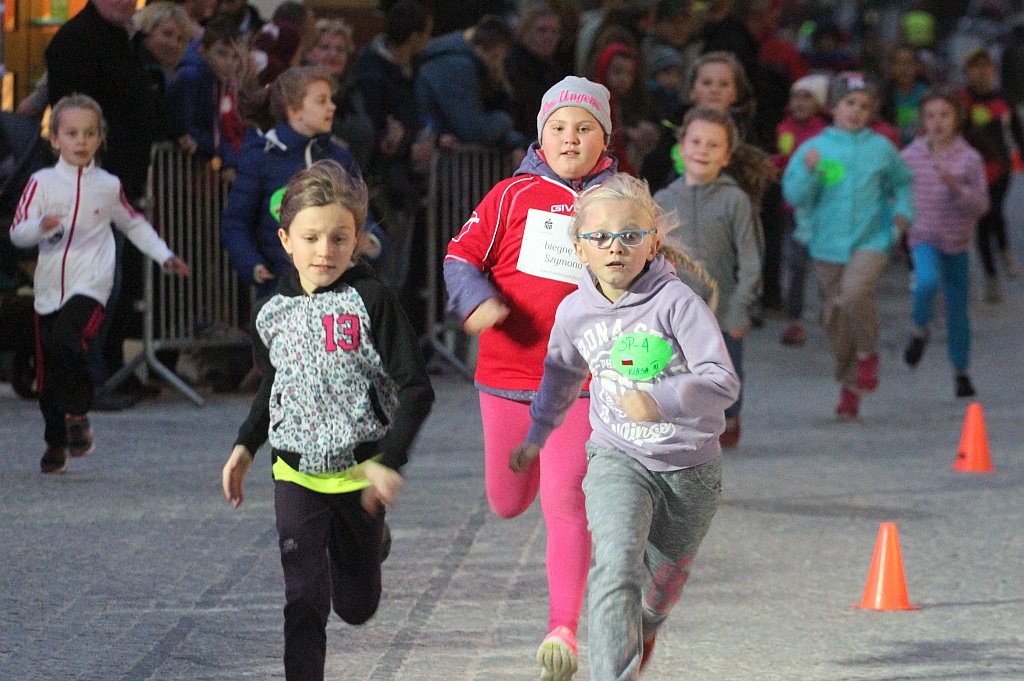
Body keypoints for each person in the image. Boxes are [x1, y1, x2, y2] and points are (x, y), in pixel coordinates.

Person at [509, 172, 739, 679]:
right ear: (579, 248)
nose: (616, 247)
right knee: (614, 565)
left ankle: (645, 625)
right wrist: (537, 434)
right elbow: (562, 374)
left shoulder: (678, 303)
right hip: (617, 458)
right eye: (600, 237)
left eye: (630, 236)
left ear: (652, 242)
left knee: (659, 591)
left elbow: (723, 381)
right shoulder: (574, 312)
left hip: (689, 469)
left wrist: (660, 400)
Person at [222, 159, 433, 681]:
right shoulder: (271, 314)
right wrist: (245, 448)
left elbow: (416, 388)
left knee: (356, 607)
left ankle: (370, 544)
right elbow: (276, 386)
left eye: (339, 238)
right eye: (311, 237)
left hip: (360, 475)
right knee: (304, 597)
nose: (324, 251)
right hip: (294, 472)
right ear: (285, 240)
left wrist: (389, 462)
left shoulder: (371, 302)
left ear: (358, 239)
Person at [443, 76, 617, 681]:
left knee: (565, 498)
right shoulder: (511, 195)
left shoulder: (619, 200)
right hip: (507, 374)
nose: (571, 137)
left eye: (584, 127)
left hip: (583, 381)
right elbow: (461, 256)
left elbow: (652, 270)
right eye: (559, 127)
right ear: (542, 136)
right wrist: (476, 302)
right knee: (508, 502)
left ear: (604, 138)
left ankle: (562, 630)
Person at [9, 95, 190, 474]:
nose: (81, 141)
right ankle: (56, 441)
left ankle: (78, 412)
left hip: (91, 281)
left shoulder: (107, 186)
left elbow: (133, 222)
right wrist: (37, 228)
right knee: (48, 373)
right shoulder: (40, 183)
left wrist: (164, 255)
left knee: (66, 339)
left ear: (100, 139)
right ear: (54, 138)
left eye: (90, 133)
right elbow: (18, 233)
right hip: (48, 288)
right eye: (72, 133)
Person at [46, 0, 175, 404]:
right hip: (91, 185)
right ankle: (85, 380)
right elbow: (72, 117)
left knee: (116, 278)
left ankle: (110, 368)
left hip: (120, 182)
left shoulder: (122, 39)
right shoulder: (76, 41)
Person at [782, 72, 914, 421]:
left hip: (872, 240)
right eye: (849, 104)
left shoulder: (881, 148)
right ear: (833, 108)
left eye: (864, 106)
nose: (856, 112)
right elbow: (793, 196)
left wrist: (902, 214)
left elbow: (903, 182)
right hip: (826, 245)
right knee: (834, 318)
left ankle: (869, 353)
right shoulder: (814, 148)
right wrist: (810, 174)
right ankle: (850, 384)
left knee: (855, 294)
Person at [654, 106, 761, 448]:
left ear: (727, 156)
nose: (703, 150)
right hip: (676, 314)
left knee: (727, 378)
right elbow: (652, 259)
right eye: (696, 141)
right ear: (681, 147)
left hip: (724, 312)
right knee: (677, 377)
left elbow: (751, 259)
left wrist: (741, 308)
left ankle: (730, 419)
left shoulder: (735, 201)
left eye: (713, 145)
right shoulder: (661, 200)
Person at [221, 66, 372, 301]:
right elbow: (236, 222)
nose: (332, 107)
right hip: (280, 290)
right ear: (295, 111)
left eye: (331, 100)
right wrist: (253, 265)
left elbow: (361, 216)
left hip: (339, 291)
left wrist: (372, 241)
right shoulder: (261, 157)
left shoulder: (341, 157)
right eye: (321, 101)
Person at [900, 87, 989, 398]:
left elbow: (981, 205)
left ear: (957, 119)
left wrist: (957, 190)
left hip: (958, 242)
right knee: (925, 282)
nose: (937, 122)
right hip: (923, 236)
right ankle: (920, 327)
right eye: (930, 116)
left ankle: (961, 372)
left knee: (957, 309)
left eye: (944, 115)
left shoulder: (969, 158)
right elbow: (896, 189)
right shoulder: (911, 154)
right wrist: (896, 215)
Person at [959, 47, 1024, 303]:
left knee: (993, 209)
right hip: (971, 169)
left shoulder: (1003, 100)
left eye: (986, 66)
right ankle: (991, 276)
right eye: (975, 67)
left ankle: (1006, 250)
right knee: (983, 223)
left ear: (994, 71)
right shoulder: (961, 101)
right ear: (967, 72)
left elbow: (1017, 133)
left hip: (1000, 167)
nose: (981, 72)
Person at [415, 14, 527, 152]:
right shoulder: (458, 68)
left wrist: (516, 143)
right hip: (439, 159)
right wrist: (506, 120)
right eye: (498, 59)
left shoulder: (458, 62)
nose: (498, 66)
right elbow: (473, 131)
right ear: (495, 51)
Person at [774, 74, 828, 346]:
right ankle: (795, 320)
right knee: (795, 265)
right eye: (797, 96)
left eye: (808, 97)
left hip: (821, 211)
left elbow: (833, 170)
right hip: (794, 210)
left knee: (824, 266)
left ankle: (829, 314)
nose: (801, 103)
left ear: (820, 103)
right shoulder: (784, 128)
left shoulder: (826, 134)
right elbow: (783, 161)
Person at [168, 17, 246, 173]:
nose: (229, 63)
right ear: (203, 51)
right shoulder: (190, 77)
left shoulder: (222, 81)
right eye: (222, 54)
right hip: (179, 170)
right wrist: (225, 153)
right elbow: (185, 126)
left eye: (236, 56)